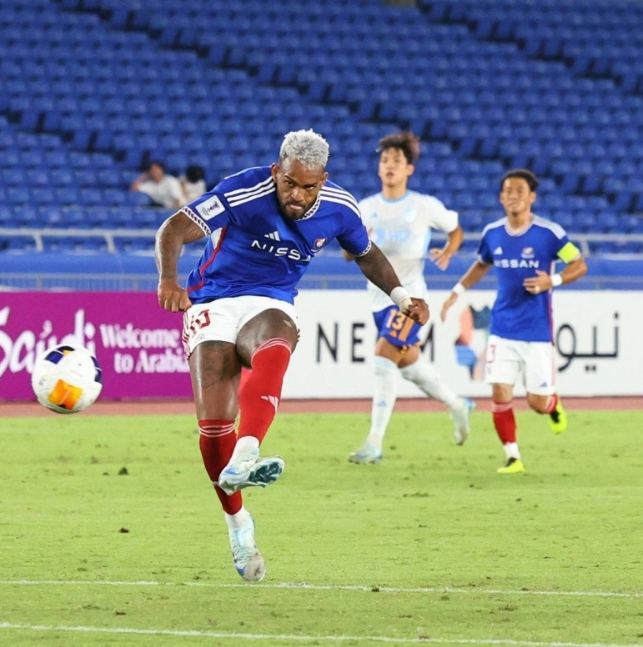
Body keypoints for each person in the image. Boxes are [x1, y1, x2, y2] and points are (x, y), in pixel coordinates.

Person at [155, 130, 429, 581]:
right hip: (213, 302)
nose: (298, 195)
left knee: (277, 337)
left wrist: (401, 297)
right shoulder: (243, 190)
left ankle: (247, 453)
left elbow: (366, 253)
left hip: (272, 300)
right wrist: (168, 279)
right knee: (213, 428)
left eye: (309, 186)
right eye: (290, 184)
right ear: (276, 171)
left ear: (324, 179)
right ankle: (238, 524)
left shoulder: (340, 207)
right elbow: (174, 229)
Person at [441, 169, 588, 474]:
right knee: (499, 392)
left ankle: (552, 404)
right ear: (500, 197)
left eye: (520, 191)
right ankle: (513, 457)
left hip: (537, 332)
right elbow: (482, 265)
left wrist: (553, 280)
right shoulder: (492, 233)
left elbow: (579, 264)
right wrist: (456, 291)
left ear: (532, 197)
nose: (513, 196)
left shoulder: (550, 234)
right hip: (502, 329)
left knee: (536, 402)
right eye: (508, 191)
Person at [348, 132, 473, 464]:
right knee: (409, 366)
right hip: (378, 300)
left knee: (383, 356)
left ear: (409, 170)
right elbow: (350, 255)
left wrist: (448, 251)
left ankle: (374, 443)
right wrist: (359, 243)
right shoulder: (365, 208)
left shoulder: (423, 205)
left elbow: (455, 228)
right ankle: (458, 405)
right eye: (385, 160)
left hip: (412, 300)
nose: (390, 165)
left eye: (397, 161)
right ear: (378, 168)